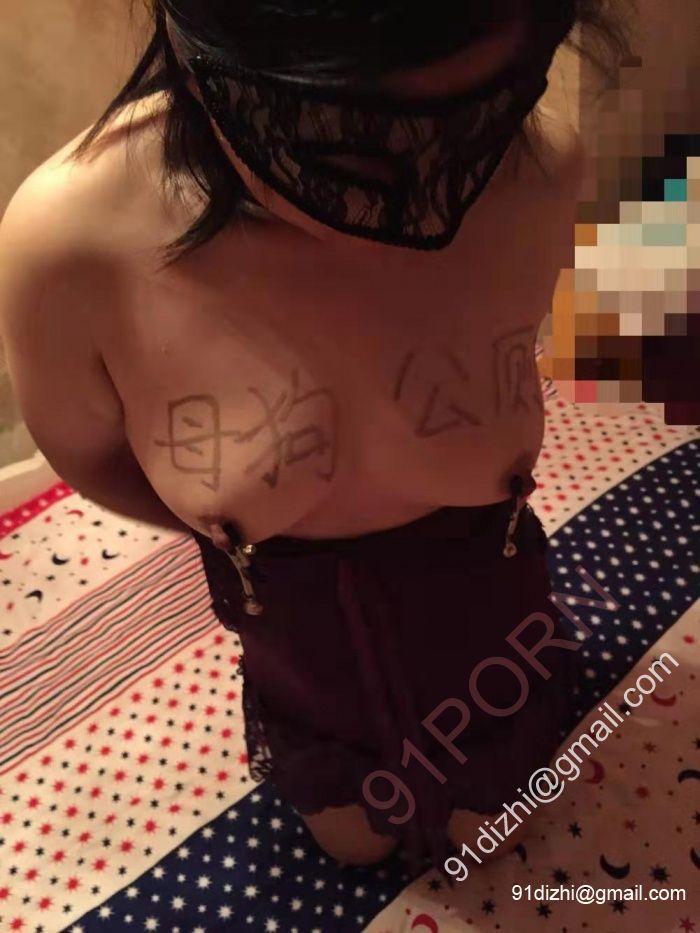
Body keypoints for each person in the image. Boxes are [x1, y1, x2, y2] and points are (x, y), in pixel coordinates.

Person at [0, 0, 634, 880]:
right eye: (329, 130)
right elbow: (96, 460)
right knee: (352, 838)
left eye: (481, 111)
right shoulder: (70, 244)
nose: (410, 174)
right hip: (308, 689)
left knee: (499, 825)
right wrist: (229, 515)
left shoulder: (546, 166)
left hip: (503, 650)